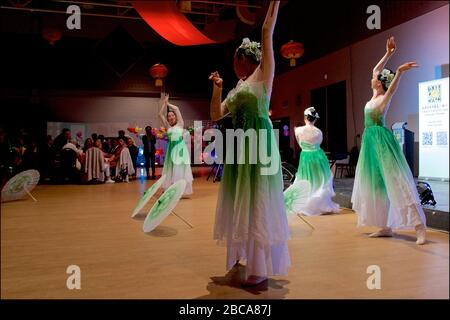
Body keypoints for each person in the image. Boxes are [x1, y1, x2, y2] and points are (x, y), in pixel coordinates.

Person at [209, 1, 288, 285]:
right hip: (241, 148)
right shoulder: (238, 87)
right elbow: (216, 114)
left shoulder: (264, 74)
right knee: (240, 200)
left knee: (257, 201)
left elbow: (267, 30)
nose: (232, 63)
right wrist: (217, 89)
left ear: (244, 58)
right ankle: (241, 255)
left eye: (234, 58)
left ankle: (259, 268)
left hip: (259, 146)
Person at [351, 36, 427, 245]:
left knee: (397, 181)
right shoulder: (373, 96)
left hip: (382, 143)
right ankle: (385, 226)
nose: (373, 77)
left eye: (377, 77)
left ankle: (420, 227)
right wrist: (389, 53)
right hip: (370, 144)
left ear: (380, 83)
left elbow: (392, 88)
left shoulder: (384, 98)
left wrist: (400, 72)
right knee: (377, 185)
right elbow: (375, 68)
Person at [293, 107, 340, 215]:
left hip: (306, 156)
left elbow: (300, 143)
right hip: (318, 157)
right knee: (319, 179)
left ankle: (308, 204)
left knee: (307, 178)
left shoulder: (298, 130)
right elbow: (318, 143)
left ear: (305, 118)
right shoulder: (319, 131)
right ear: (314, 119)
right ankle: (320, 204)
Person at [158, 93, 193, 195]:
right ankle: (171, 189)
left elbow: (177, 109)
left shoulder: (180, 123)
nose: (171, 116)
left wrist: (168, 103)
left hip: (180, 149)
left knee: (180, 168)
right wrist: (164, 104)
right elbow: (159, 115)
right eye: (169, 116)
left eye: (172, 115)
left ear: (175, 117)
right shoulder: (168, 126)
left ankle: (180, 190)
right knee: (171, 168)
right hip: (171, 149)